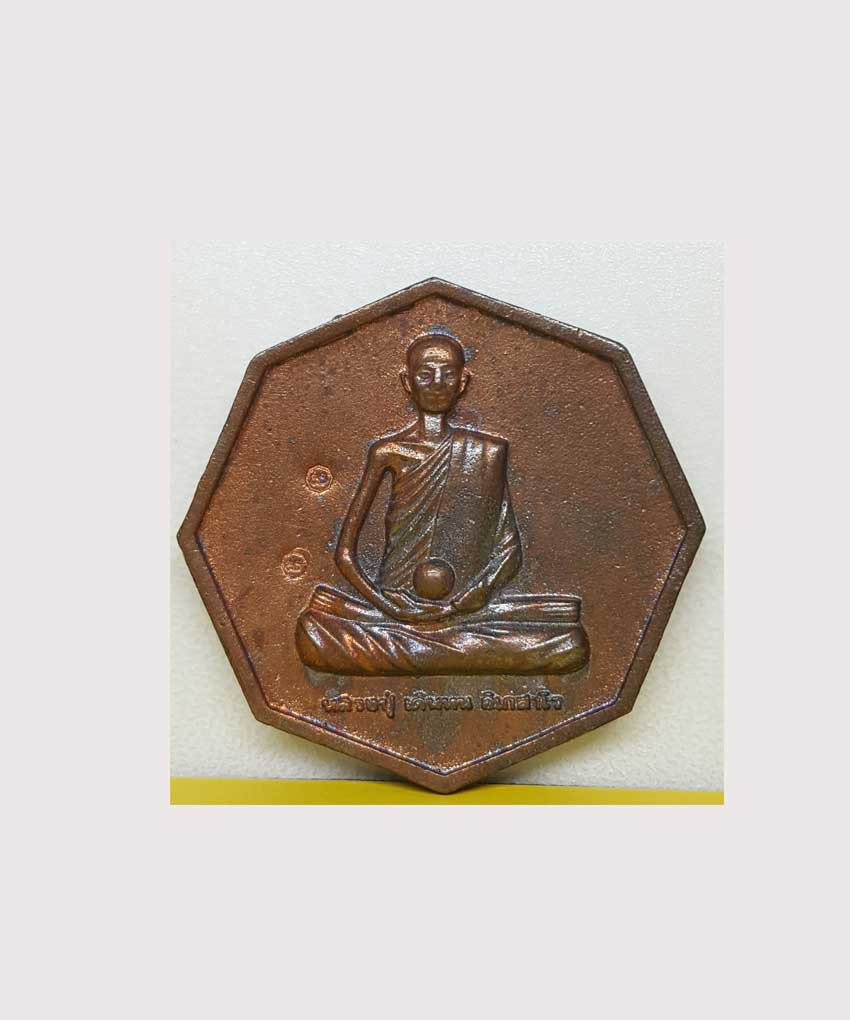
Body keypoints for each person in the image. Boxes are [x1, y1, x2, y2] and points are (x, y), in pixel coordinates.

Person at [295, 326, 589, 676]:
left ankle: (430, 645)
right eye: (425, 374)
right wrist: (390, 607)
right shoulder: (388, 452)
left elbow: (510, 553)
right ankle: (440, 646)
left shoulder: (487, 452)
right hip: (393, 608)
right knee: (314, 633)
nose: (436, 383)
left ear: (462, 382)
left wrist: (473, 597)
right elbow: (344, 554)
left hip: (467, 611)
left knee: (568, 644)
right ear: (407, 382)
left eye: (447, 374)